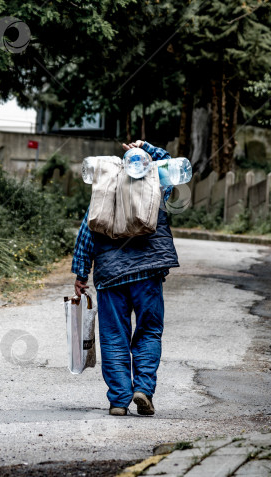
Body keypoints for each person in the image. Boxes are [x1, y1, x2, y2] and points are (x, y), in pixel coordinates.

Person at [72, 140, 180, 416]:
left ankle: (119, 400)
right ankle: (143, 388)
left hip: (110, 275)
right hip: (148, 273)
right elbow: (170, 164)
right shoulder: (157, 185)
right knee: (149, 331)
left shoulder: (104, 190)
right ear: (145, 166)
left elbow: (87, 232)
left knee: (113, 336)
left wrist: (81, 274)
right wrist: (147, 147)